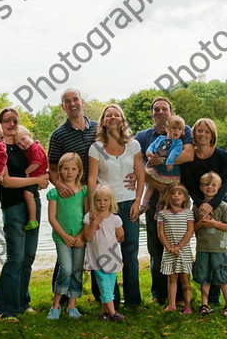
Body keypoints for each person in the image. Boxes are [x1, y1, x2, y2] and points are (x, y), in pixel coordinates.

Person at [180, 118, 227, 316]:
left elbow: (226, 183)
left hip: (220, 207)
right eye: (199, 131)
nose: (202, 134)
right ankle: (210, 299)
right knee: (205, 253)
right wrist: (201, 206)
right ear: (194, 134)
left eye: (206, 131)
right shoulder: (189, 157)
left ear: (212, 134)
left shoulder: (222, 155)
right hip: (199, 209)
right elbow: (188, 184)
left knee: (226, 256)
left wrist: (211, 205)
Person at [0, 107, 49, 320]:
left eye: (15, 121)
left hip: (33, 203)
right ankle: (3, 309)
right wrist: (36, 181)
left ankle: (22, 302)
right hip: (13, 205)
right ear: (0, 124)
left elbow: (40, 167)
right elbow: (5, 181)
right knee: (15, 257)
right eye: (7, 121)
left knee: (28, 256)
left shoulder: (24, 147)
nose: (12, 124)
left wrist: (42, 179)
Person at [134, 97, 194, 304]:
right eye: (156, 109)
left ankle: (180, 295)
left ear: (171, 112)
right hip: (155, 198)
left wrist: (163, 161)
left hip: (178, 200)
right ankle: (158, 293)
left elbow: (188, 155)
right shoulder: (144, 136)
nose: (160, 112)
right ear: (152, 114)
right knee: (156, 248)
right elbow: (136, 162)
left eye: (164, 109)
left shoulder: (184, 128)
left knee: (180, 245)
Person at [88, 104, 144, 307]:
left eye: (117, 115)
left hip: (129, 202)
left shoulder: (133, 145)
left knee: (130, 251)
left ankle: (133, 300)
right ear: (103, 121)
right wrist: (94, 208)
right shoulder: (96, 148)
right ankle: (109, 299)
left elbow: (140, 174)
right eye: (108, 115)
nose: (113, 117)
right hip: (106, 206)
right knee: (106, 252)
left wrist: (138, 201)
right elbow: (92, 179)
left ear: (122, 120)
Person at [47, 89, 98, 302]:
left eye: (75, 99)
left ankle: (101, 295)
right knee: (67, 243)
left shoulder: (98, 128)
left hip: (95, 191)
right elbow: (51, 168)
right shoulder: (58, 135)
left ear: (82, 101)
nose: (72, 104)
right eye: (67, 101)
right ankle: (61, 296)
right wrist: (59, 184)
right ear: (63, 107)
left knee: (93, 241)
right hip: (71, 194)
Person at [46, 152, 88, 320]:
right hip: (61, 237)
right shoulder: (55, 193)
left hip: (79, 237)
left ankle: (72, 306)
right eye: (65, 169)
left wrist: (81, 235)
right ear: (60, 170)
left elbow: (87, 215)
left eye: (73, 169)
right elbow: (52, 217)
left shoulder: (83, 191)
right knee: (66, 269)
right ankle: (55, 306)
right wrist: (64, 236)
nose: (69, 172)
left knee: (77, 270)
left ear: (79, 171)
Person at [193, 172, 227, 318]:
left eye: (213, 185)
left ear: (219, 187)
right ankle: (204, 304)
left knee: (222, 276)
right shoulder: (197, 206)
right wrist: (201, 223)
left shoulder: (223, 206)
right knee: (204, 276)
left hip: (219, 248)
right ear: (201, 187)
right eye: (206, 184)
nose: (209, 187)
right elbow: (193, 229)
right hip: (202, 248)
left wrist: (213, 223)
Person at [83, 184, 125, 322]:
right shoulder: (89, 217)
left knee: (110, 286)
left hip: (111, 257)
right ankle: (113, 313)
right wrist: (95, 223)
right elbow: (87, 237)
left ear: (111, 201)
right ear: (93, 202)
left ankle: (104, 312)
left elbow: (120, 236)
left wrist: (111, 244)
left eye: (105, 200)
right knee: (104, 285)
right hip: (97, 257)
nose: (102, 203)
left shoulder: (115, 219)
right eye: (98, 200)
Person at [157, 183, 194, 314]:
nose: (176, 196)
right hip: (169, 251)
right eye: (173, 193)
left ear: (184, 198)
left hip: (183, 251)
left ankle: (188, 305)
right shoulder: (162, 214)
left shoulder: (188, 214)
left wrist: (178, 246)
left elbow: (190, 232)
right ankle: (172, 304)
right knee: (171, 278)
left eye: (179, 193)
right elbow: (160, 233)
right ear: (168, 197)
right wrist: (169, 247)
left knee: (185, 279)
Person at [140, 115, 185, 214]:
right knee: (150, 185)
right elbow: (152, 145)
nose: (176, 131)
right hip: (156, 168)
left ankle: (159, 209)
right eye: (173, 128)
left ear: (182, 132)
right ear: (167, 128)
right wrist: (149, 152)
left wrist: (169, 162)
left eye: (179, 129)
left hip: (168, 170)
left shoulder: (178, 143)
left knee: (162, 189)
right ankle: (144, 204)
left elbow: (175, 153)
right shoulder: (160, 138)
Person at [15, 126, 49, 231]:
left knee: (28, 194)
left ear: (30, 136)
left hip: (38, 175)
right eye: (18, 144)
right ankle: (32, 219)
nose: (22, 144)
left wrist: (26, 172)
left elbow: (36, 163)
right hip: (35, 177)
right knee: (29, 195)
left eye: (23, 139)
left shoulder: (36, 147)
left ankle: (33, 220)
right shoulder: (29, 148)